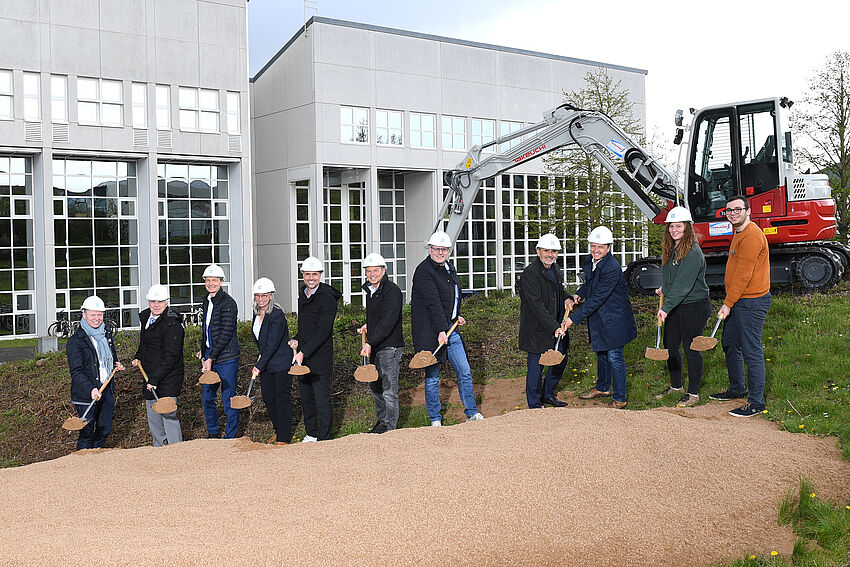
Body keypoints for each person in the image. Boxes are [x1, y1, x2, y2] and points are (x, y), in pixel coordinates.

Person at [411, 230, 484, 426]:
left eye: (444, 249)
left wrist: (455, 315)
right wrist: (442, 329)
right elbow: (433, 302)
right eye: (436, 249)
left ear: (449, 251)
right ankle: (435, 419)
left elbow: (453, 295)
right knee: (433, 376)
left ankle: (471, 413)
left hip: (450, 330)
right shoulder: (423, 271)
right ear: (430, 249)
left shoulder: (449, 268)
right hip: (430, 332)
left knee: (465, 371)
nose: (440, 252)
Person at [709, 195, 771, 417]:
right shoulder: (739, 233)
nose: (733, 213)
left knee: (751, 349)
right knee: (730, 343)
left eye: (737, 209)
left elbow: (744, 276)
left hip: (751, 301)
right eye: (729, 210)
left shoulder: (752, 236)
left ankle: (756, 403)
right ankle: (737, 388)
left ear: (748, 211)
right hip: (739, 300)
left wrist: (727, 304)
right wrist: (731, 301)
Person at [568, 226, 637, 409]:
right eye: (593, 246)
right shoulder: (591, 260)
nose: (596, 250)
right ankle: (603, 387)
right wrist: (578, 295)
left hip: (614, 317)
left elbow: (597, 297)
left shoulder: (612, 267)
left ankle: (620, 397)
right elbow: (589, 285)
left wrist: (573, 319)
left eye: (601, 247)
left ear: (608, 248)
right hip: (600, 316)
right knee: (601, 353)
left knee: (614, 356)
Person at [654, 206, 711, 407]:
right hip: (677, 304)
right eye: (671, 226)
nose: (674, 230)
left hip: (694, 306)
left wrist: (666, 306)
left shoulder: (693, 252)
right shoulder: (672, 249)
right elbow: (674, 279)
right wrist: (665, 288)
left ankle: (693, 393)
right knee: (671, 345)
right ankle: (676, 386)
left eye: (679, 226)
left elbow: (684, 284)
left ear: (687, 227)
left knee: (691, 348)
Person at [290, 256, 341, 442]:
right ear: (302, 275)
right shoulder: (303, 294)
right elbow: (305, 326)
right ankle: (311, 433)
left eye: (315, 274)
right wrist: (297, 339)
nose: (311, 277)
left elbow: (323, 330)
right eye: (307, 274)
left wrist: (304, 352)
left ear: (320, 275)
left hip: (320, 356)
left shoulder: (327, 298)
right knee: (306, 398)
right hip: (303, 355)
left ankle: (325, 437)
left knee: (322, 398)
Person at [66, 295, 124, 449]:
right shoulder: (76, 341)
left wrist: (115, 364)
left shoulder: (107, 334)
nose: (97, 319)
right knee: (87, 432)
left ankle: (95, 459)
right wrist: (91, 389)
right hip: (86, 394)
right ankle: (83, 463)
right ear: (84, 315)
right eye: (93, 314)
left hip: (106, 390)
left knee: (105, 429)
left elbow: (110, 355)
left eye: (100, 315)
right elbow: (76, 371)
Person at [519, 233, 570, 409]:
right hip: (536, 329)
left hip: (556, 325)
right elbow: (537, 306)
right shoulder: (530, 274)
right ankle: (534, 403)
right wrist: (554, 327)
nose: (550, 254)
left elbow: (558, 292)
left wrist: (568, 298)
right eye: (546, 250)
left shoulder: (555, 269)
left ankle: (548, 394)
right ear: (538, 251)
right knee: (536, 366)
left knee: (560, 360)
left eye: (554, 251)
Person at [131, 284, 184, 446]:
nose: (156, 305)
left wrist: (154, 379)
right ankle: (159, 449)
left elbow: (171, 355)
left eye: (160, 301)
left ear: (166, 302)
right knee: (154, 415)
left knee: (168, 415)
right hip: (150, 376)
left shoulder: (172, 324)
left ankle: (176, 450)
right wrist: (138, 357)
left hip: (168, 378)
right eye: (153, 301)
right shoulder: (147, 318)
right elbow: (145, 344)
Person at [358, 253, 404, 433]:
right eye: (368, 271)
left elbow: (388, 321)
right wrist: (369, 325)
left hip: (390, 347)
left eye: (375, 270)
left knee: (389, 390)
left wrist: (369, 343)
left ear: (384, 271)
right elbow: (379, 318)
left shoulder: (392, 291)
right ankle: (382, 422)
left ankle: (390, 427)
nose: (372, 274)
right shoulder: (371, 291)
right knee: (375, 386)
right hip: (377, 345)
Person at [198, 263, 240, 438]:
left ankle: (230, 436)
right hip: (210, 356)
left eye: (214, 280)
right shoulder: (207, 301)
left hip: (226, 358)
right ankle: (213, 434)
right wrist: (204, 351)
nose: (211, 283)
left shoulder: (228, 303)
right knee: (207, 397)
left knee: (228, 398)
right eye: (208, 280)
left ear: (221, 282)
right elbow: (206, 329)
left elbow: (225, 333)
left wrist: (212, 357)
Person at [250, 277, 294, 444]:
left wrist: (258, 366)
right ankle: (278, 430)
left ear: (271, 296)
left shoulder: (277, 315)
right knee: (269, 399)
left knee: (282, 399)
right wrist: (262, 362)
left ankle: (284, 437)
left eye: (264, 296)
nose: (261, 299)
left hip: (280, 363)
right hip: (267, 363)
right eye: (258, 296)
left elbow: (273, 343)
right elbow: (261, 341)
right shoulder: (256, 314)